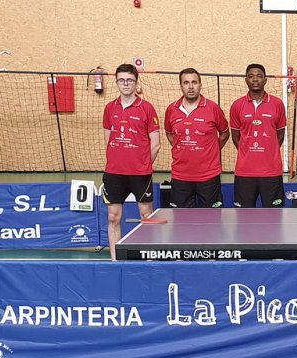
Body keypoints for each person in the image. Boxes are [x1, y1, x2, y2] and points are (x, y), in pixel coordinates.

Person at [102, 63, 160, 260]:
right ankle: (115, 260)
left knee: (146, 216)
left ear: (136, 82)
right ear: (116, 82)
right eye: (121, 80)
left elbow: (156, 144)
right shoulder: (110, 108)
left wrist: (143, 165)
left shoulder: (147, 108)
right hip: (114, 173)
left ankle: (149, 258)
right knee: (113, 217)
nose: (126, 84)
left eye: (130, 80)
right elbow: (108, 140)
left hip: (140, 174)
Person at [164, 68, 229, 208]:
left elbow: (224, 133)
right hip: (180, 176)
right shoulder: (171, 109)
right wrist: (182, 148)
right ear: (181, 85)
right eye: (186, 82)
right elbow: (169, 133)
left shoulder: (213, 108)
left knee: (212, 218)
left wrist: (212, 150)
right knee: (181, 219)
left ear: (200, 84)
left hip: (209, 176)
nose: (190, 87)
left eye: (194, 82)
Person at [229, 64, 287, 208]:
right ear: (246, 80)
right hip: (245, 172)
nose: (255, 79)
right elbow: (236, 137)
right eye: (251, 76)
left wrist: (269, 149)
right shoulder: (237, 105)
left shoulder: (277, 104)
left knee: (274, 216)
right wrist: (247, 151)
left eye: (259, 76)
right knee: (244, 216)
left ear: (265, 80)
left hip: (271, 172)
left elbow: (280, 135)